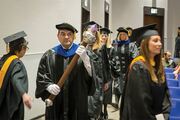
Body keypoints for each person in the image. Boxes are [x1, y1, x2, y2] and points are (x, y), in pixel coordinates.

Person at [35, 23, 95, 120]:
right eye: (62, 34)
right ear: (58, 36)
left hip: (77, 102)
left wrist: (86, 61)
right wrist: (48, 86)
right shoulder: (49, 55)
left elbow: (91, 76)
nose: (66, 37)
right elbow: (41, 76)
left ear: (74, 36)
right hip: (56, 102)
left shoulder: (83, 53)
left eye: (69, 34)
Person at [120, 25, 171, 120]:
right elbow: (141, 105)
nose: (160, 44)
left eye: (160, 40)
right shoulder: (138, 67)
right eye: (155, 41)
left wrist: (165, 115)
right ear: (145, 43)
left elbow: (165, 95)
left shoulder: (158, 67)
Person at [0, 31, 32, 119]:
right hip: (11, 104)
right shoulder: (16, 63)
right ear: (21, 48)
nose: (25, 51)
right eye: (25, 48)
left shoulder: (3, 59)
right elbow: (16, 79)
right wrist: (24, 94)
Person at [111, 27, 139, 109]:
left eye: (124, 34)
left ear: (127, 35)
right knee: (116, 87)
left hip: (128, 72)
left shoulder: (131, 45)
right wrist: (113, 68)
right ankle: (116, 103)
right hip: (117, 71)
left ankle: (126, 106)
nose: (122, 36)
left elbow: (135, 58)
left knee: (127, 89)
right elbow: (112, 57)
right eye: (121, 34)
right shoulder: (115, 45)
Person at [99, 27, 113, 119]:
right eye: (102, 35)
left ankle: (105, 109)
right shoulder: (97, 47)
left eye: (106, 35)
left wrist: (109, 80)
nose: (104, 37)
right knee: (99, 94)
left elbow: (113, 63)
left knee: (106, 94)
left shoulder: (111, 48)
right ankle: (100, 111)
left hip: (108, 74)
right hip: (99, 74)